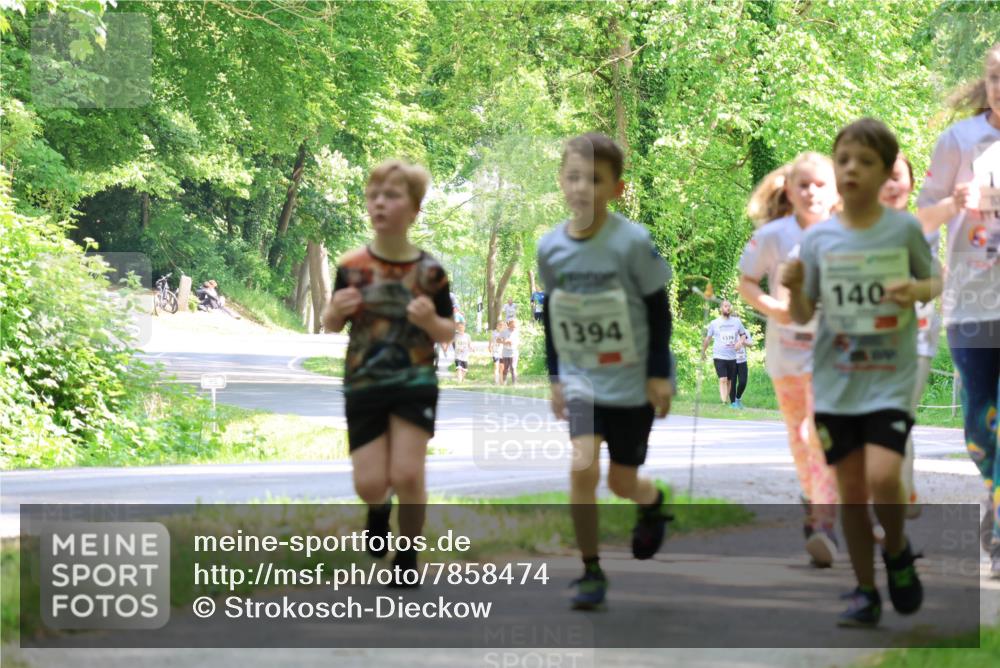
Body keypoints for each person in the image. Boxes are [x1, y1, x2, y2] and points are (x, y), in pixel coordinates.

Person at [783, 118, 940, 627]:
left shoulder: (905, 228)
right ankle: (865, 589)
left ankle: (895, 549)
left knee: (882, 475)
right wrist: (795, 288)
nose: (852, 168)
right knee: (851, 491)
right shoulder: (820, 239)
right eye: (844, 159)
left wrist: (913, 292)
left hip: (889, 376)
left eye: (865, 161)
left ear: (885, 172)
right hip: (835, 383)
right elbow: (805, 315)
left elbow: (933, 279)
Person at [538, 132, 674, 610]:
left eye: (594, 180)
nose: (581, 188)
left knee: (620, 482)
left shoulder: (632, 242)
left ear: (616, 188)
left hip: (632, 382)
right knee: (582, 466)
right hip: (582, 381)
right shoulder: (550, 248)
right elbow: (555, 318)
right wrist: (555, 376)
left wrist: (660, 373)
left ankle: (652, 504)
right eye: (573, 177)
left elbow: (659, 313)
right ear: (561, 181)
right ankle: (591, 569)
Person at [322, 160, 455, 586]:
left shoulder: (431, 272)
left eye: (392, 195)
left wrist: (431, 323)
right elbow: (329, 324)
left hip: (415, 381)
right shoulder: (352, 266)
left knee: (408, 474)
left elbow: (449, 330)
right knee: (370, 482)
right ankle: (377, 509)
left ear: (414, 210)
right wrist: (333, 311)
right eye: (374, 196)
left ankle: (407, 555)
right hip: (364, 382)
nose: (380, 203)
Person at [916, 43, 1000, 575]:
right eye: (995, 76)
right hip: (971, 302)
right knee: (977, 425)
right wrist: (957, 203)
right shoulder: (960, 140)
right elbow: (922, 219)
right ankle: (993, 496)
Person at [738, 154, 841, 567]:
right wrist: (774, 310)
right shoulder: (772, 236)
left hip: (834, 352)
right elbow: (746, 283)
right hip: (787, 350)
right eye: (804, 185)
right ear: (789, 191)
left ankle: (825, 520)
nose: (811, 192)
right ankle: (818, 504)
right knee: (800, 437)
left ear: (835, 192)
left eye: (820, 185)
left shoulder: (847, 234)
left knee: (821, 431)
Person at [880, 153, 940, 519]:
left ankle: (897, 497)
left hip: (915, 339)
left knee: (898, 413)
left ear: (910, 183)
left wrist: (911, 292)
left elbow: (937, 280)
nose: (889, 183)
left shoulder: (924, 227)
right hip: (867, 342)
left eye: (896, 175)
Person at [701, 300, 749, 407]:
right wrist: (703, 352)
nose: (728, 308)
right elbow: (708, 339)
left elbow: (743, 335)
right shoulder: (714, 323)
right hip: (719, 355)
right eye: (725, 306)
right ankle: (724, 402)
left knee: (729, 381)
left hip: (732, 356)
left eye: (729, 306)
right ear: (721, 308)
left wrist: (740, 342)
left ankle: (726, 400)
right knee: (722, 379)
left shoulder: (737, 322)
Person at [733, 328, 752, 409]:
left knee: (743, 382)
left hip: (742, 361)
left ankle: (738, 398)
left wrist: (743, 341)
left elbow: (751, 344)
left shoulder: (745, 332)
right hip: (731, 360)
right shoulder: (729, 331)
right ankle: (733, 403)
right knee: (732, 383)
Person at [500, 318, 519, 385]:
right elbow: (498, 340)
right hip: (505, 352)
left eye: (515, 325)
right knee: (506, 368)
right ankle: (504, 382)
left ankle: (514, 383)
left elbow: (518, 341)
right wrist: (504, 342)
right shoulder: (504, 331)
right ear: (509, 324)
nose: (514, 326)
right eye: (512, 324)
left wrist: (511, 342)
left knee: (513, 367)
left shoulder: (516, 332)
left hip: (513, 352)